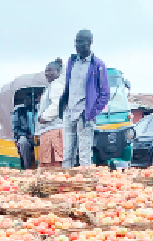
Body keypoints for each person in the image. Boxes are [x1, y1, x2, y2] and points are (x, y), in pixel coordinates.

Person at [59, 30, 110, 168]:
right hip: (69, 113)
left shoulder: (98, 65)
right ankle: (65, 185)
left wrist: (91, 112)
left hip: (85, 116)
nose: (78, 45)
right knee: (67, 154)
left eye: (81, 41)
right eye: (76, 41)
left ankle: (85, 186)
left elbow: (105, 93)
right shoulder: (71, 61)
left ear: (90, 42)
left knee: (84, 156)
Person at [36, 58, 65, 170]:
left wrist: (44, 117)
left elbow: (57, 104)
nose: (47, 73)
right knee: (50, 163)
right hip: (50, 130)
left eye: (50, 70)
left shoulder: (57, 85)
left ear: (58, 72)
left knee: (54, 163)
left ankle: (56, 185)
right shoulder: (53, 85)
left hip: (53, 130)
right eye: (46, 71)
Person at [12, 91, 36, 170]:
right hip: (26, 137)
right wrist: (27, 135)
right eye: (26, 99)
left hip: (39, 136)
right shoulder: (19, 111)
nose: (27, 101)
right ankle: (27, 167)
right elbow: (16, 128)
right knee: (23, 142)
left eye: (29, 99)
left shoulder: (39, 111)